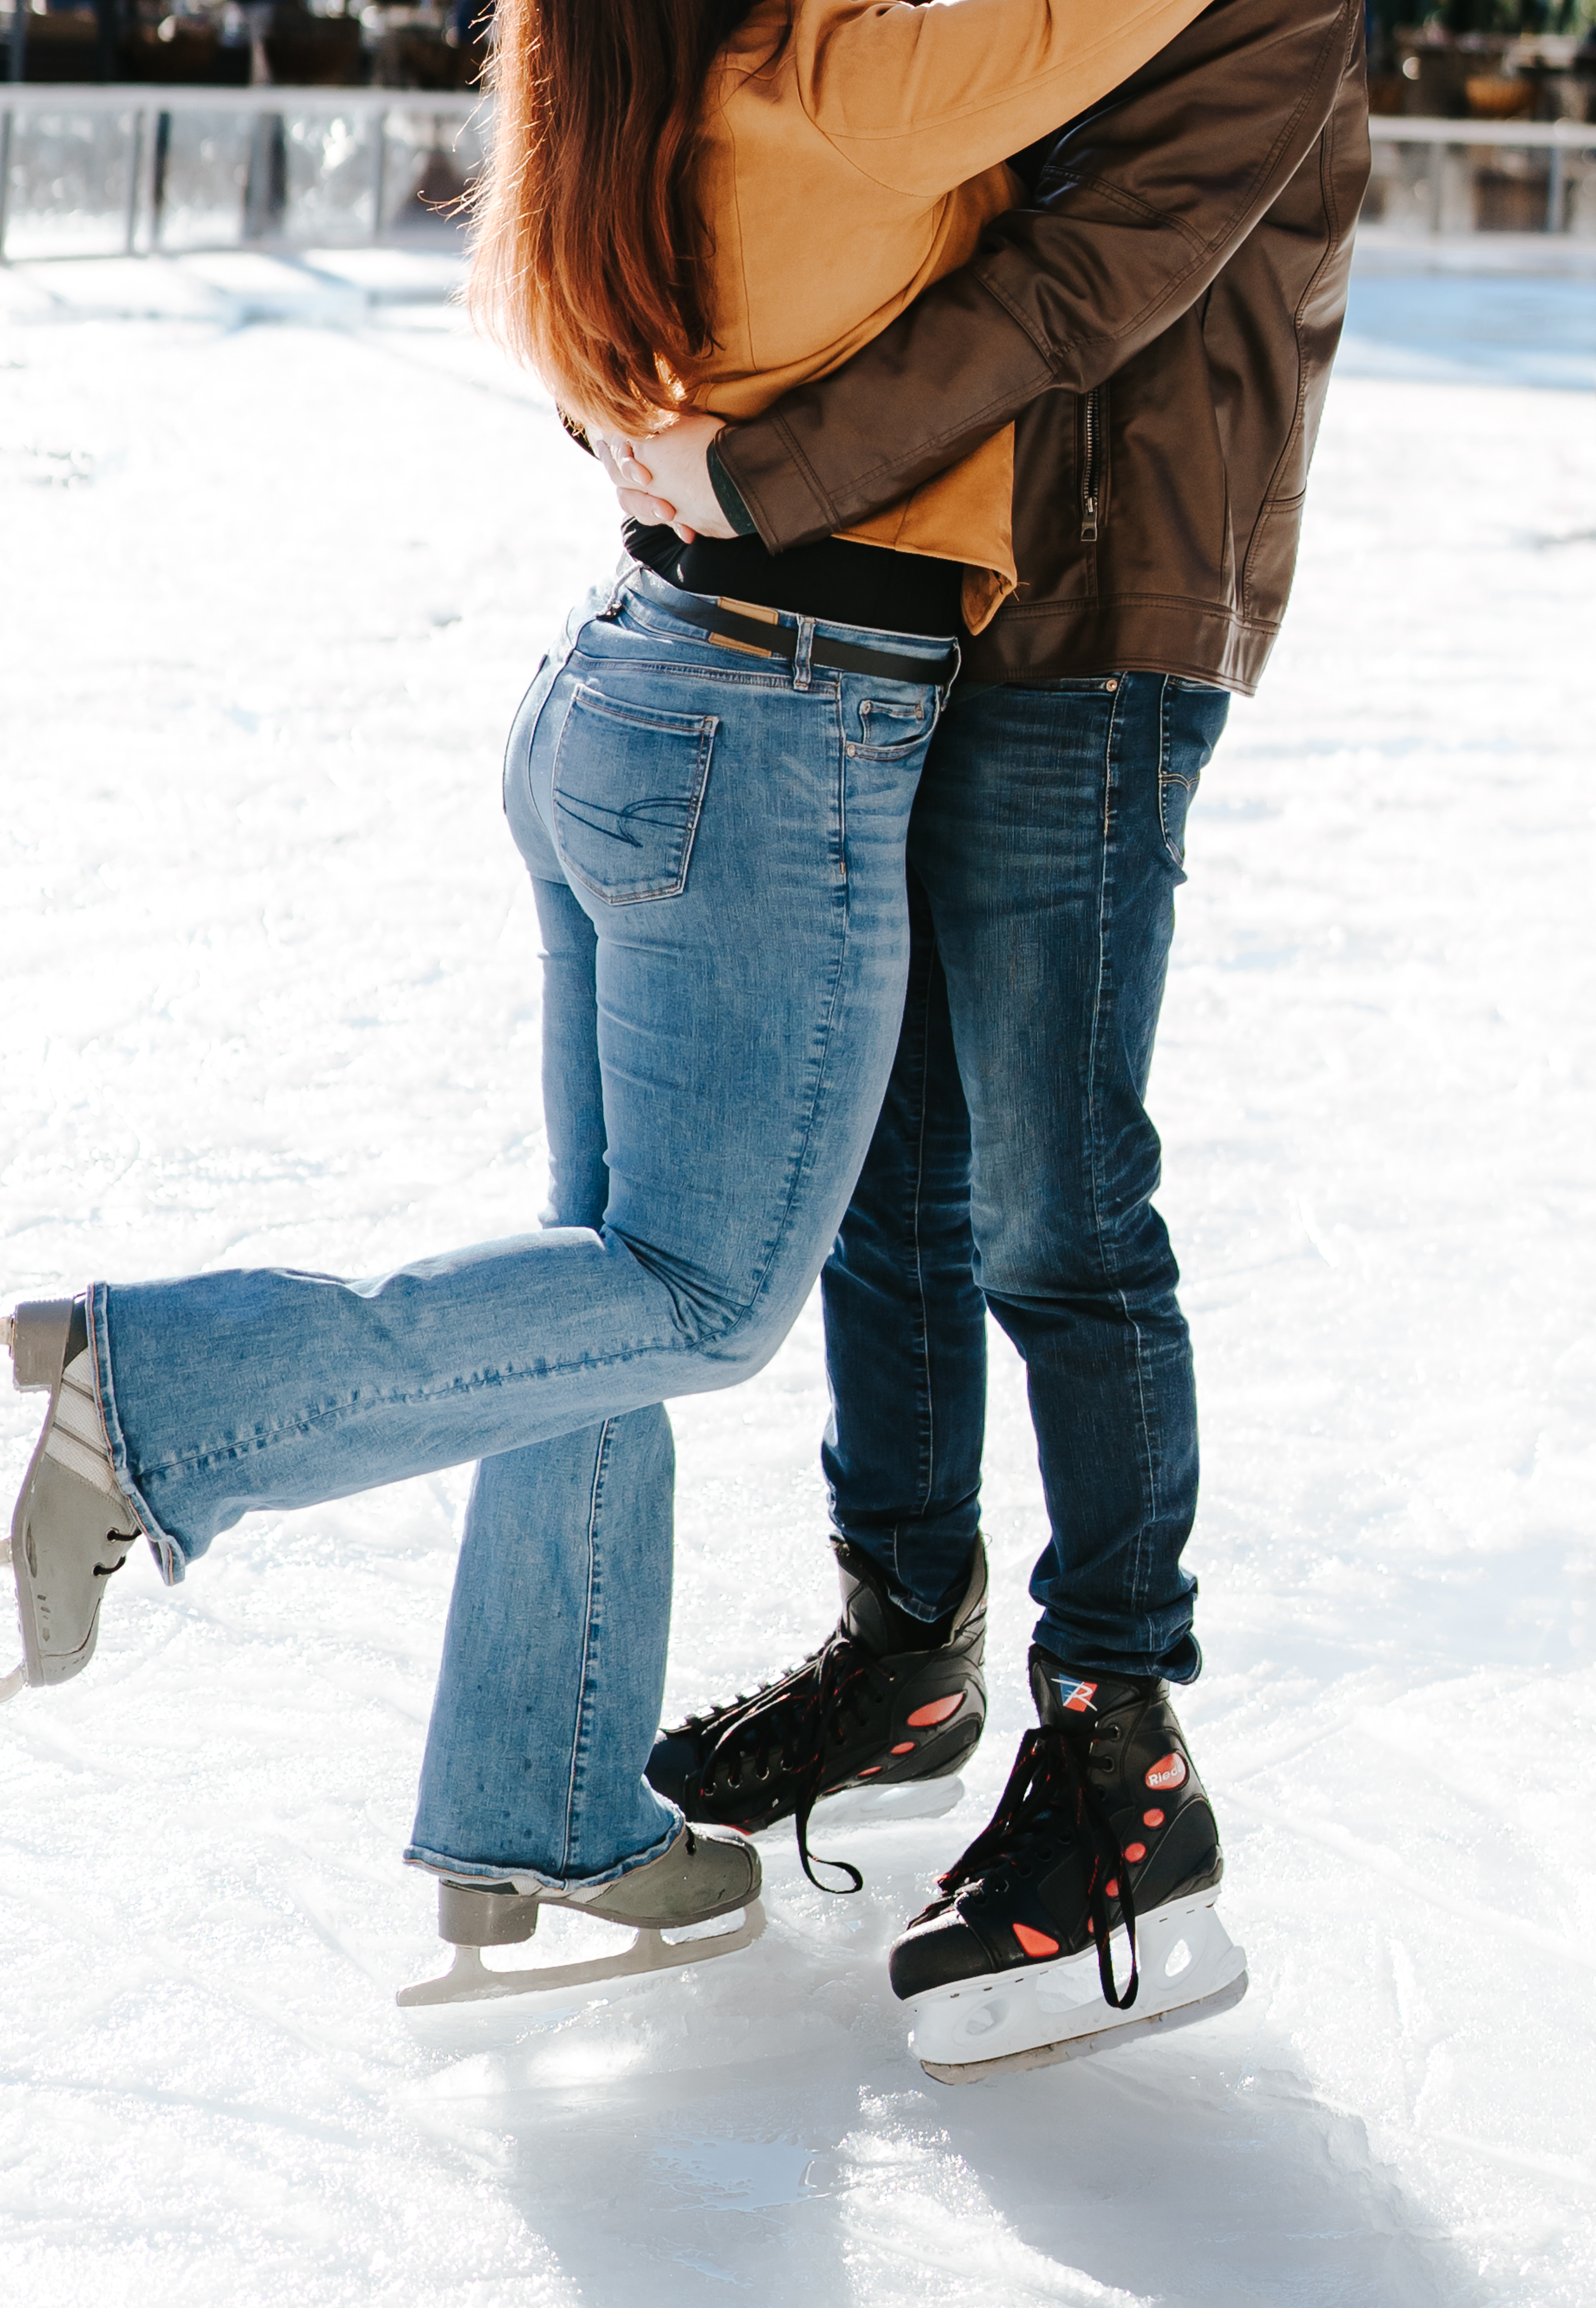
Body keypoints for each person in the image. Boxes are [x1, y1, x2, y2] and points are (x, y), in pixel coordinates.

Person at [0, 0, 1214, 1991]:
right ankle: (158, 1393)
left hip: (633, 688)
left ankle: (541, 1803)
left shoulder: (599, 101)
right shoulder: (834, 86)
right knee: (702, 1300)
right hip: (779, 727)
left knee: (594, 1281)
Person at [600, 0, 1370, 2064]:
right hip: (903, 596)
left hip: (1096, 617)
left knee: (1054, 1201)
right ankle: (905, 1641)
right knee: (887, 1166)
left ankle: (1126, 1754)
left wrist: (757, 469)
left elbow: (1080, 276)